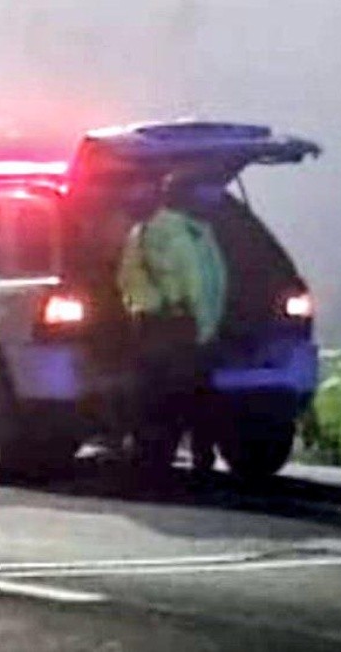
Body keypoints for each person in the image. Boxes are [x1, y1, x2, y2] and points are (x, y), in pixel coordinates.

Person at [117, 174, 228, 477]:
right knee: (187, 394)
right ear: (185, 198)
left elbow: (126, 280)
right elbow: (197, 284)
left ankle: (157, 459)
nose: (208, 200)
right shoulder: (179, 234)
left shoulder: (152, 232)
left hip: (162, 325)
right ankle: (190, 458)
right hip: (177, 326)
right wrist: (204, 326)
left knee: (163, 396)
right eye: (200, 194)